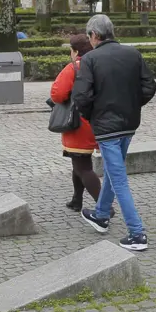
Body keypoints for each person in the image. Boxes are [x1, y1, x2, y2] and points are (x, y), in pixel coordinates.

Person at [72, 14, 156, 251]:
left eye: (89, 36)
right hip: (129, 124)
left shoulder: (90, 60)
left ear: (95, 35)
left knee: (118, 178)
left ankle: (137, 233)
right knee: (112, 171)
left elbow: (81, 96)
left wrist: (92, 115)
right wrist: (131, 105)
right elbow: (149, 86)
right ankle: (100, 215)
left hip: (107, 127)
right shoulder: (132, 53)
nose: (89, 40)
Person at [50, 34, 102, 212]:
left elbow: (57, 94)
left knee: (83, 167)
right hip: (100, 120)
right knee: (78, 163)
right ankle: (77, 199)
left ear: (75, 51)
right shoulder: (99, 63)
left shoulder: (74, 67)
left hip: (79, 124)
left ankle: (104, 206)